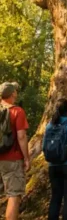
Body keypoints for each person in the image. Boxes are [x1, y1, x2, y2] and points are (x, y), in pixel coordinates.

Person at [0, 82, 30, 220]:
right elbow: (21, 136)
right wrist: (27, 158)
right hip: (12, 158)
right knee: (13, 195)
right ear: (13, 94)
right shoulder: (17, 111)